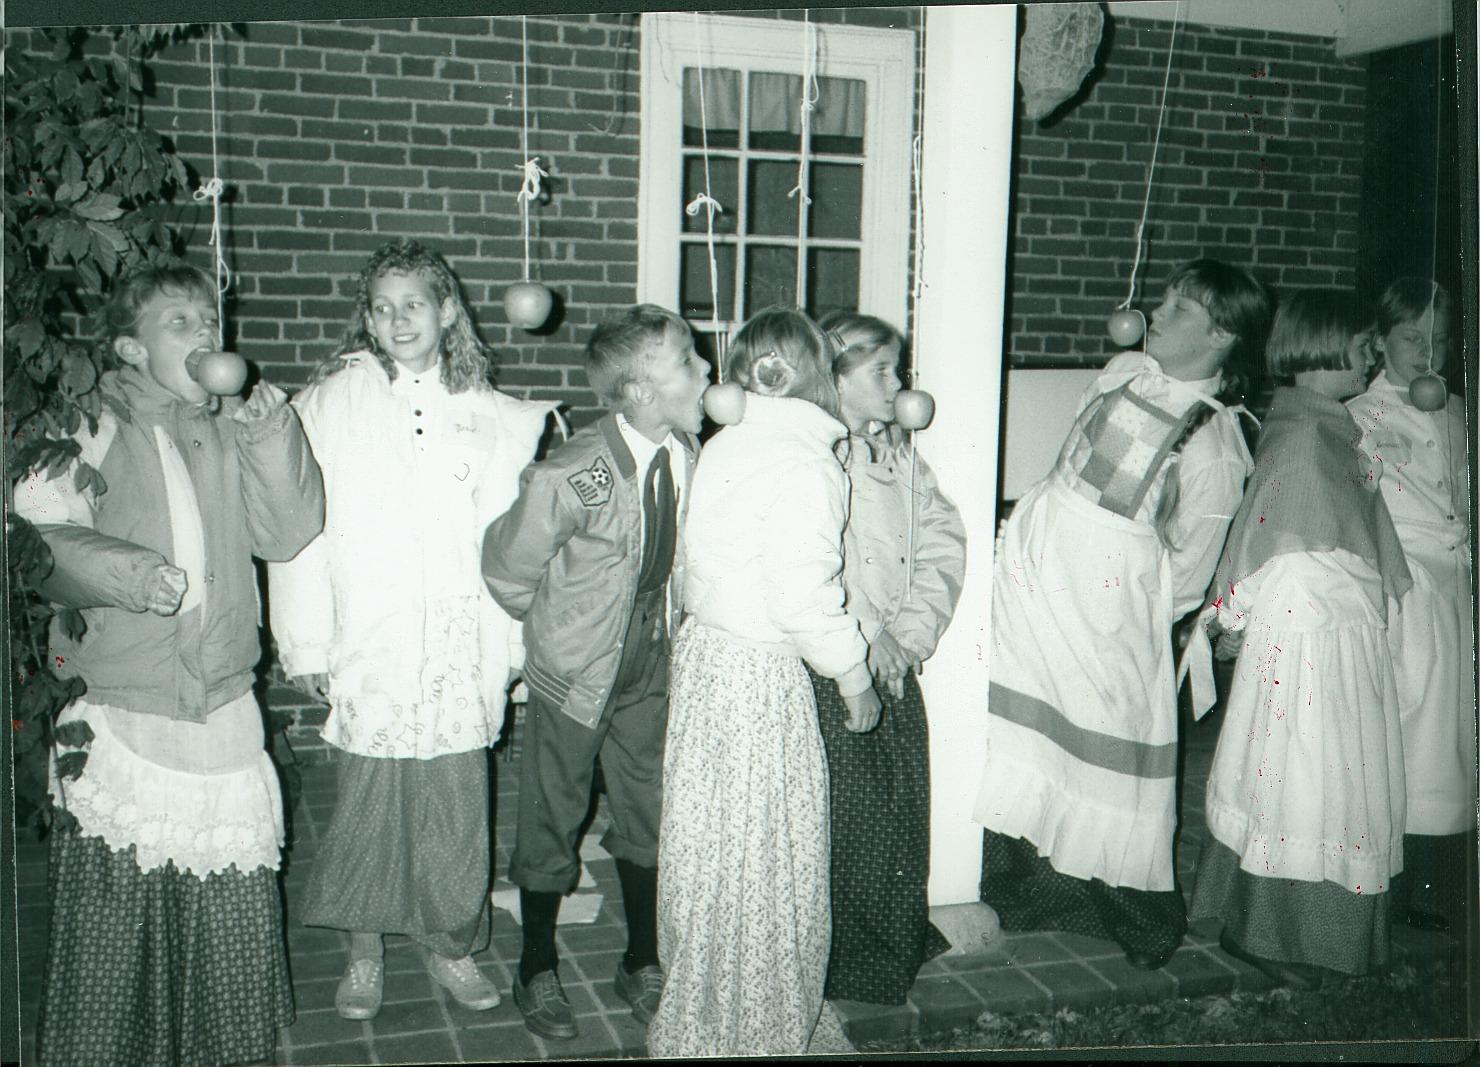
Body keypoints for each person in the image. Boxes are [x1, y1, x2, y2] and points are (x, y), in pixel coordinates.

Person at [16, 263, 324, 1066]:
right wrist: (130, 573)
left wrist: (265, 424)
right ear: (129, 346)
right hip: (130, 692)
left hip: (220, 689)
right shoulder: (91, 417)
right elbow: (34, 534)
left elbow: (288, 530)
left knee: (221, 886)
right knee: (123, 901)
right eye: (180, 321)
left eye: (209, 320)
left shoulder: (227, 421)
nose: (205, 334)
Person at [268, 239, 557, 1020]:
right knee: (370, 799)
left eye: (415, 304)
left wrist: (516, 645)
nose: (399, 319)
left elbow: (509, 541)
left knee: (455, 800)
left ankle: (449, 942)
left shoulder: (487, 414)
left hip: (461, 639)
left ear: (447, 311)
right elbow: (301, 532)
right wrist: (305, 638)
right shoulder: (331, 403)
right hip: (372, 632)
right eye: (383, 306)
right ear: (367, 317)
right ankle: (365, 949)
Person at [974, 259, 1271, 970]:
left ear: (1223, 333)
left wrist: (1112, 608)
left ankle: (1125, 913)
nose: (1155, 311)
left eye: (1179, 306)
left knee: (1104, 749)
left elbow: (1189, 572)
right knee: (1021, 731)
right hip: (1036, 576)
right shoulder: (1122, 370)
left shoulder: (1214, 444)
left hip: (1109, 611)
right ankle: (1022, 885)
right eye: (1164, 297)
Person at [647, 307, 882, 1057]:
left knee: (714, 845)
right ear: (819, 377)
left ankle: (708, 1003)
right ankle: (761, 1019)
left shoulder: (726, 447)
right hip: (755, 674)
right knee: (766, 848)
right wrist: (853, 676)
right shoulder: (808, 463)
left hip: (708, 662)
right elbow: (803, 592)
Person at [481, 304, 709, 1039]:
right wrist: (559, 636)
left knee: (650, 810)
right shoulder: (573, 473)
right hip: (577, 672)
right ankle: (536, 963)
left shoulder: (688, 453)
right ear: (641, 390)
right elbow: (508, 567)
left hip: (650, 664)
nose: (706, 370)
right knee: (553, 811)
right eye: (689, 361)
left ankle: (640, 956)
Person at [1184, 289, 1411, 987]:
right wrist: (1234, 613)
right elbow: (1271, 537)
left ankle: (1318, 932)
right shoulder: (1305, 437)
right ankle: (1269, 929)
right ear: (1320, 346)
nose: (1373, 357)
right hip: (1305, 636)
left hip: (1339, 630)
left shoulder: (1330, 428)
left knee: (1334, 779)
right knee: (1301, 778)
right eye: (1363, 344)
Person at [811, 311, 967, 1004]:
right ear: (834, 375)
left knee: (900, 805)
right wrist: (866, 636)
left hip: (896, 660)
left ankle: (891, 935)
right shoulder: (818, 455)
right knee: (850, 815)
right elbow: (818, 563)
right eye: (879, 370)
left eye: (897, 368)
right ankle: (845, 954)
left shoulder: (899, 452)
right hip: (840, 665)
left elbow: (941, 539)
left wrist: (908, 634)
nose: (896, 383)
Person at [1346, 277, 1475, 934]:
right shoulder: (1362, 416)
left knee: (1456, 733)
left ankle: (1444, 865)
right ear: (1380, 342)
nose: (1428, 353)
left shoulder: (1460, 411)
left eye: (1441, 339)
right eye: (1412, 338)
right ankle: (1398, 874)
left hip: (1459, 580)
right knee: (1413, 723)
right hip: (1404, 580)